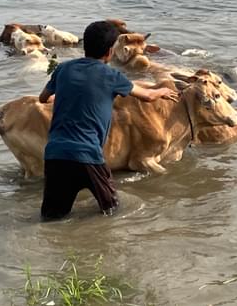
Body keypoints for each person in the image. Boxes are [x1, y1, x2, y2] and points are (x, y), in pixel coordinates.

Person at [38, 20, 179, 221]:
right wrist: (163, 90)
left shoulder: (63, 69)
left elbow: (44, 98)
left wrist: (64, 95)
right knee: (113, 212)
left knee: (52, 218)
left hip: (55, 155)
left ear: (85, 45)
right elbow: (146, 96)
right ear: (110, 52)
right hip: (88, 156)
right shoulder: (112, 76)